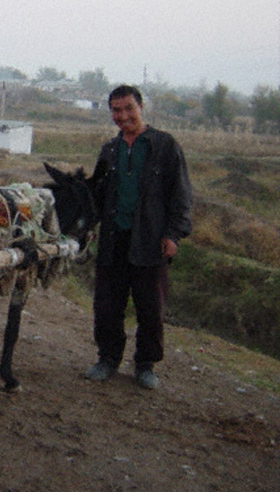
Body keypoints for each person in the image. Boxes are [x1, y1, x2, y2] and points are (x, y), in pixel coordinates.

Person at [84, 85, 193, 389]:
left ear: (141, 107)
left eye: (128, 108)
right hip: (113, 241)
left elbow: (181, 194)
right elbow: (99, 194)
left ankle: (145, 365)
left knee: (150, 308)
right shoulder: (109, 150)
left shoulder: (164, 146)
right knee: (107, 306)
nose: (123, 116)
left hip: (149, 241)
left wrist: (174, 234)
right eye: (116, 111)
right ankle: (107, 359)